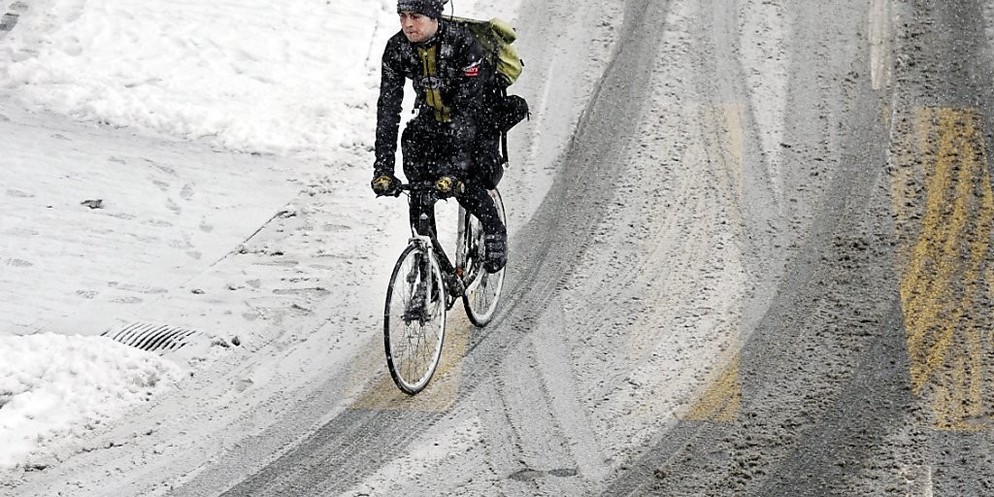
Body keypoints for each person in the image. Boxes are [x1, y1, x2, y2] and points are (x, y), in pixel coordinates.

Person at [371, 0, 507, 273]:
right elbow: (388, 110)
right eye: (403, 16)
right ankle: (427, 265)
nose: (408, 24)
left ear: (435, 17)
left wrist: (454, 171)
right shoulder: (396, 49)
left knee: (467, 180)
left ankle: (494, 227)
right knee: (419, 183)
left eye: (416, 16)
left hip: (479, 120)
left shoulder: (464, 45)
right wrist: (383, 169)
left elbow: (468, 112)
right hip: (433, 119)